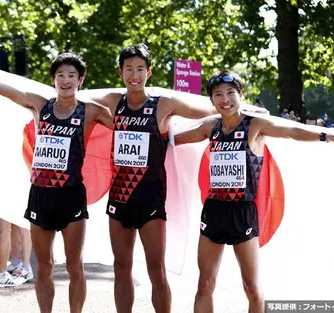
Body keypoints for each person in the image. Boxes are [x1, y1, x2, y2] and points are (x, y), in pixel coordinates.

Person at [78, 43, 265, 313]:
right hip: (119, 198)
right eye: (128, 69)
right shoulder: (112, 101)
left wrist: (245, 111)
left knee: (156, 270)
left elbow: (208, 108)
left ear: (149, 72)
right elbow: (73, 96)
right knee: (121, 267)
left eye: (140, 69)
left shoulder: (163, 103)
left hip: (151, 199)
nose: (134, 75)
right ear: (120, 72)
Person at [0, 51, 112, 313]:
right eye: (61, 75)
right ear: (53, 79)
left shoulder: (92, 111)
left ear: (81, 80)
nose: (66, 80)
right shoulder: (39, 105)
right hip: (41, 195)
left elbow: (131, 127)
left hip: (72, 196)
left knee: (75, 265)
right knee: (44, 265)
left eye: (71, 76)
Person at [172, 69, 334, 313]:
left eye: (230, 93)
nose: (225, 99)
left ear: (240, 95)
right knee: (204, 285)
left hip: (243, 212)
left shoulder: (255, 125)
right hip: (213, 212)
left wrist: (327, 135)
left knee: (252, 288)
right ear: (211, 100)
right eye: (218, 95)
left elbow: (292, 132)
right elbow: (174, 140)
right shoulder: (210, 126)